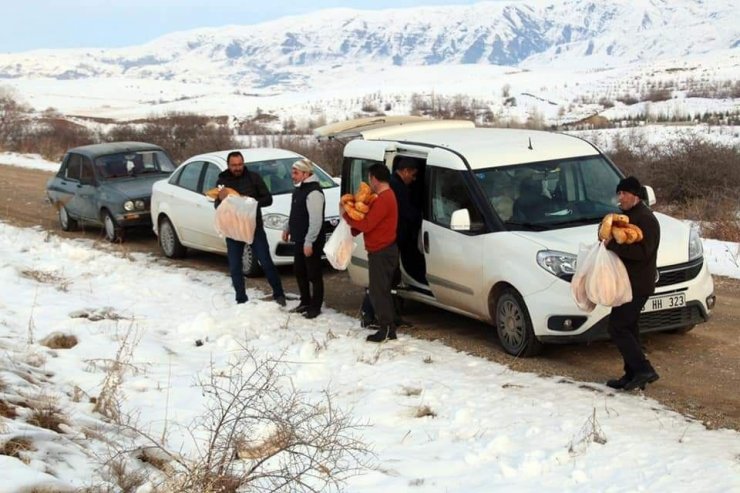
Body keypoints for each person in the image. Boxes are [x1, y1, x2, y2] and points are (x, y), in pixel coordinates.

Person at [604, 176, 661, 391]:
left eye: (624, 194)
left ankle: (644, 369)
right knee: (629, 327)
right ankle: (632, 374)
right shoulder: (627, 216)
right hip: (626, 282)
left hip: (637, 284)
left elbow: (644, 252)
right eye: (618, 193)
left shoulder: (646, 219)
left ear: (635, 195)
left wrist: (614, 247)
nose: (620, 198)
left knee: (617, 327)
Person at [215, 151, 286, 306]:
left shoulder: (254, 177)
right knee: (235, 266)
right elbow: (217, 206)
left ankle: (279, 294)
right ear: (228, 165)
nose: (237, 168)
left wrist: (252, 202)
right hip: (233, 229)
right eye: (234, 165)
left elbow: (268, 199)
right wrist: (221, 200)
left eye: (240, 164)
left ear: (243, 163)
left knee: (266, 262)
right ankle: (241, 299)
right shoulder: (222, 181)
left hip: (254, 227)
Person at [360, 158, 421, 328]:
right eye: (413, 175)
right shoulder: (395, 189)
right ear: (406, 171)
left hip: (389, 242)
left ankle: (390, 317)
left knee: (388, 281)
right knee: (381, 284)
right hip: (389, 242)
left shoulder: (390, 191)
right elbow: (370, 222)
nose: (414, 179)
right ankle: (373, 315)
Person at [343, 163, 399, 343]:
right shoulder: (385, 197)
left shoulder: (384, 199)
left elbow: (367, 224)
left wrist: (347, 216)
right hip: (382, 250)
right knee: (381, 289)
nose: (369, 182)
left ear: (374, 178)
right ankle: (389, 327)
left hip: (382, 251)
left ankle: (385, 328)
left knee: (378, 291)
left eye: (369, 178)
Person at [282, 158, 325, 319]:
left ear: (306, 174)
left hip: (310, 240)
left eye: (296, 172)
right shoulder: (299, 189)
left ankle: (316, 306)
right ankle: (305, 301)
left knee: (313, 273)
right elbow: (295, 212)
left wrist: (309, 241)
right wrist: (287, 227)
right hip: (299, 238)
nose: (292, 175)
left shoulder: (314, 192)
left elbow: (316, 220)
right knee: (299, 271)